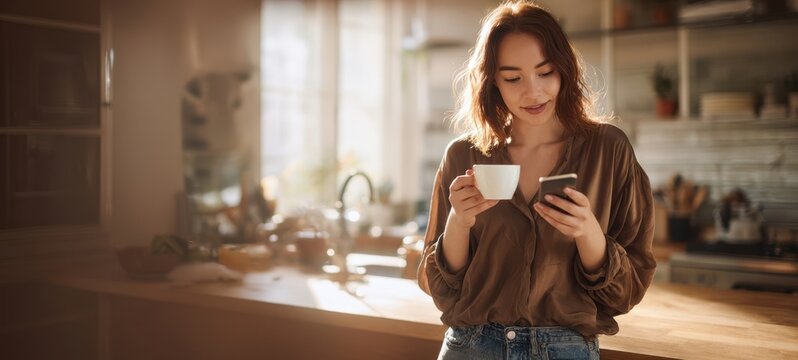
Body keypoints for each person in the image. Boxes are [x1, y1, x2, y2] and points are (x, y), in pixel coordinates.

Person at [417, 1, 656, 359]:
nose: (533, 92)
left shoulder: (608, 150)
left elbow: (628, 289)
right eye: (513, 78)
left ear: (564, 69)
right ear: (492, 81)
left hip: (565, 348)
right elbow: (438, 287)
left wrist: (588, 232)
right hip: (471, 346)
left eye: (545, 72)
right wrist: (459, 221)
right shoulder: (462, 155)